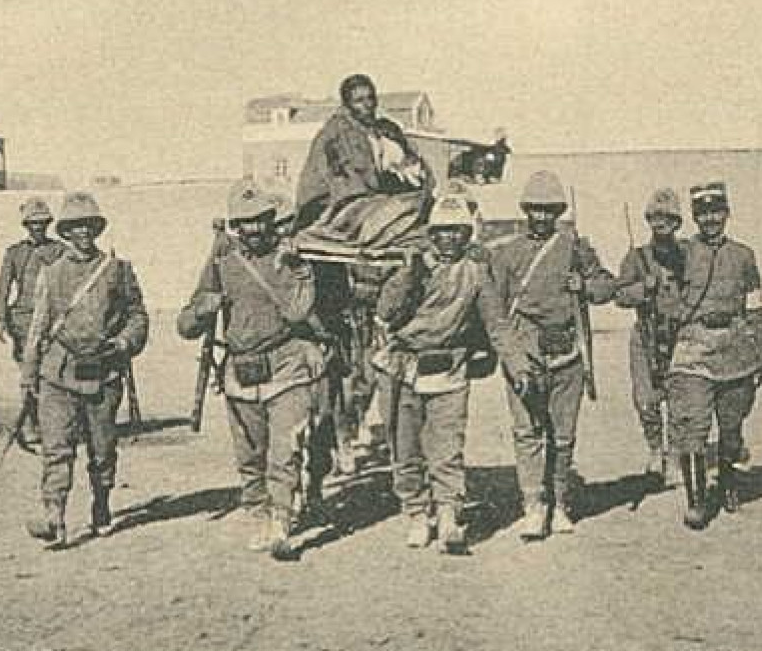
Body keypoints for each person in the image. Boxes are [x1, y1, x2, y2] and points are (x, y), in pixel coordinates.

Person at [177, 178, 324, 560]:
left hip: (287, 367)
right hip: (241, 373)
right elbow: (185, 324)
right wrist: (202, 310)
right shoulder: (221, 262)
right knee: (250, 455)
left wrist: (298, 270)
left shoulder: (292, 259)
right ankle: (260, 514)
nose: (253, 229)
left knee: (284, 451)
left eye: (260, 220)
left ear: (271, 220)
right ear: (235, 226)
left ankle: (281, 521)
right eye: (244, 223)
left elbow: (298, 311)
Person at [374, 193, 528, 552]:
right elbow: (386, 310)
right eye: (442, 232)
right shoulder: (411, 268)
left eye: (457, 232)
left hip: (448, 371)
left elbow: (497, 326)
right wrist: (410, 275)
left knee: (447, 446)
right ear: (431, 233)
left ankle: (447, 515)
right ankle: (416, 511)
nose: (449, 240)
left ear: (467, 234)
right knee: (404, 446)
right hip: (400, 367)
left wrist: (517, 364)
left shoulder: (476, 275)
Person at [488, 170, 615, 540]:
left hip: (566, 354)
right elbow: (494, 308)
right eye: (535, 210)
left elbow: (608, 285)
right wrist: (509, 353)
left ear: (558, 211)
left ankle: (559, 503)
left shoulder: (575, 247)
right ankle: (533, 505)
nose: (541, 217)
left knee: (563, 435)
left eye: (549, 210)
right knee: (527, 432)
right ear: (525, 210)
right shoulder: (507, 254)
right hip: (524, 352)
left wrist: (586, 285)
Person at [20, 192, 149, 548]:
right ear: (64, 232)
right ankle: (54, 516)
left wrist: (124, 342)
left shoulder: (117, 270)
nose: (83, 234)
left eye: (88, 226)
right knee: (57, 448)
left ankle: (102, 503)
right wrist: (28, 375)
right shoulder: (51, 273)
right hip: (58, 372)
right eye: (75, 227)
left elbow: (138, 315)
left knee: (102, 447)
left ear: (97, 228)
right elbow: (38, 327)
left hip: (103, 373)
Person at [665, 183, 762, 526]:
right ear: (694, 217)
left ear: (727, 213)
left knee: (731, 426)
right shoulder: (680, 252)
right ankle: (696, 501)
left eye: (716, 212)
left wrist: (761, 350)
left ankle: (727, 482)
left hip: (735, 348)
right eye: (703, 213)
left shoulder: (743, 255)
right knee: (692, 425)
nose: (710, 219)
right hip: (693, 346)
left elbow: (754, 305)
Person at [293, 73, 435, 240]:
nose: (368, 105)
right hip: (332, 205)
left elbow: (408, 159)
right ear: (347, 105)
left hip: (373, 197)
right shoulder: (336, 134)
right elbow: (340, 180)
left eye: (370, 98)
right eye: (359, 101)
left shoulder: (384, 129)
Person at [612, 188, 686, 488]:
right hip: (646, 335)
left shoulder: (689, 254)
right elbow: (619, 294)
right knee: (646, 400)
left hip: (680, 335)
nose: (660, 223)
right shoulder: (636, 257)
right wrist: (643, 288)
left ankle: (677, 457)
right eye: (655, 218)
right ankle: (656, 448)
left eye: (667, 218)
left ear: (677, 222)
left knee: (680, 401)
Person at [0, 198, 64, 361]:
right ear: (26, 225)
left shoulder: (59, 250)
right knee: (27, 367)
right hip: (24, 318)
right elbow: (3, 289)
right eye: (34, 223)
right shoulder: (15, 253)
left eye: (42, 222)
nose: (38, 227)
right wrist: (0, 319)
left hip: (52, 317)